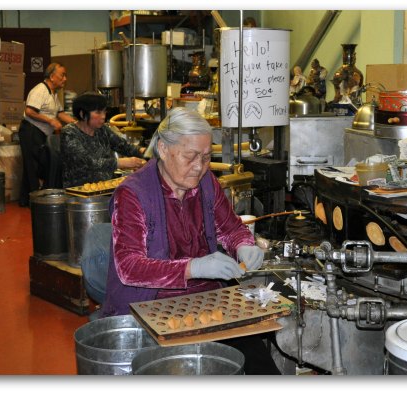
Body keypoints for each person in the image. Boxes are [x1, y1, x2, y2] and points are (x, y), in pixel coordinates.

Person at [101, 107, 279, 374]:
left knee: (260, 368)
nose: (200, 166)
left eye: (207, 158)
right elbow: (129, 267)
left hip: (207, 300)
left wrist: (243, 244)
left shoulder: (206, 183)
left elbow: (230, 227)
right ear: (162, 149)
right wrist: (192, 268)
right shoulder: (134, 195)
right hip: (153, 306)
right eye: (191, 156)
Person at [60, 92, 146, 188]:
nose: (103, 116)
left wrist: (145, 152)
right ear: (82, 113)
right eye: (98, 112)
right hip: (81, 190)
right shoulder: (69, 133)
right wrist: (121, 162)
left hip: (106, 188)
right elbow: (88, 162)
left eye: (104, 112)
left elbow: (124, 146)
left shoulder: (102, 129)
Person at [18, 62, 75, 206]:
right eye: (62, 75)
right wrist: (50, 121)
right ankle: (36, 202)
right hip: (31, 131)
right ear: (52, 76)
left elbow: (60, 114)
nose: (65, 78)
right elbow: (29, 111)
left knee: (35, 165)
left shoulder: (54, 94)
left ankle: (26, 200)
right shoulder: (40, 90)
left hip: (42, 133)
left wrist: (77, 125)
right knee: (34, 166)